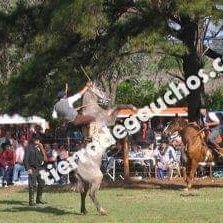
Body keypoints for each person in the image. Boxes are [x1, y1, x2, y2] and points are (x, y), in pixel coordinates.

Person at [24, 134, 47, 206]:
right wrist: (28, 168)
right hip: (32, 168)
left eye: (38, 140)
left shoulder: (41, 147)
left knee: (42, 183)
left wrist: (42, 148)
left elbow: (45, 158)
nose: (37, 141)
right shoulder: (28, 148)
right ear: (33, 140)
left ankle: (39, 199)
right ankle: (31, 201)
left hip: (40, 168)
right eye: (36, 139)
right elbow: (25, 160)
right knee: (32, 185)